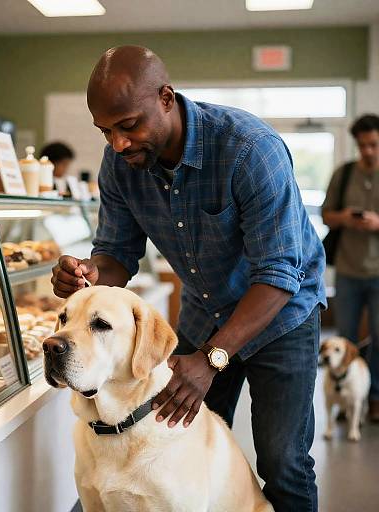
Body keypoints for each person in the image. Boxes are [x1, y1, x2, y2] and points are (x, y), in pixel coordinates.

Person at [51, 46, 326, 512]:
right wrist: (91, 276)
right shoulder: (120, 163)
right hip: (205, 309)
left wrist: (210, 359)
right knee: (174, 437)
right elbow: (117, 253)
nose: (118, 143)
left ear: (165, 98)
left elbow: (279, 274)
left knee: (283, 461)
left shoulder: (248, 149)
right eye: (106, 131)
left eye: (129, 125)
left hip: (281, 316)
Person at [322, 114, 379, 422]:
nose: (368, 151)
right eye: (362, 145)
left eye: (373, 144)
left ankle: (375, 397)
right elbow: (326, 215)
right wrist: (345, 217)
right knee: (345, 338)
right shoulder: (343, 175)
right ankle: (344, 397)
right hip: (348, 270)